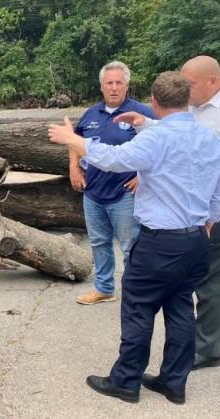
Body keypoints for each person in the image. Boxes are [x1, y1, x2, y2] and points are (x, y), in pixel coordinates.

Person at [48, 71, 220, 404]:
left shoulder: (155, 140)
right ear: (187, 100)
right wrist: (207, 225)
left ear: (154, 102)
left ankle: (126, 381)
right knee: (179, 308)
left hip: (159, 243)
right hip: (195, 241)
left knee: (138, 309)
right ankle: (174, 382)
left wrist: (72, 139)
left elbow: (115, 160)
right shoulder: (210, 139)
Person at [115, 56, 220, 369]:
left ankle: (206, 349)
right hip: (207, 198)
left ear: (213, 81)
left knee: (215, 274)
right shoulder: (196, 108)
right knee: (210, 267)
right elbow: (183, 134)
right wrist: (146, 123)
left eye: (189, 83)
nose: (185, 89)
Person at [69, 61, 155, 305]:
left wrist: (142, 176)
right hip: (93, 191)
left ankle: (135, 292)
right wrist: (74, 166)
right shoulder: (91, 114)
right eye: (110, 83)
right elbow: (75, 140)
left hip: (124, 193)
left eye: (119, 83)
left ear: (127, 86)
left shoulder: (142, 113)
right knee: (99, 242)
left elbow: (162, 146)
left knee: (131, 245)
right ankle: (104, 288)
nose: (114, 87)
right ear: (101, 87)